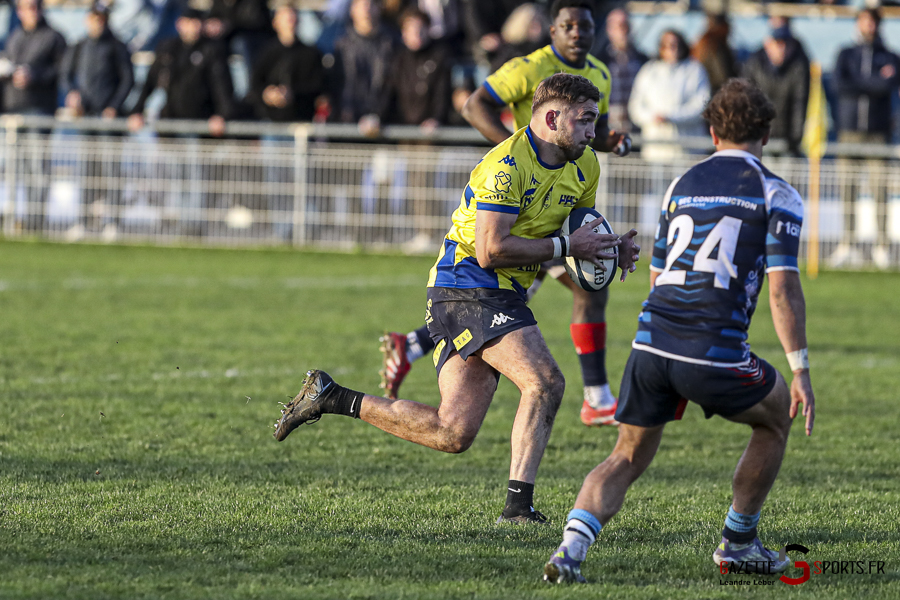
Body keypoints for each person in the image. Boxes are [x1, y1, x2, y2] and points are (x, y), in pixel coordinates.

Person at [273, 73, 641, 524]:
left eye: (595, 121)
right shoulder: (505, 165)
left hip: (503, 291)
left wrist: (609, 249)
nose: (593, 132)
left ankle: (330, 397)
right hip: (464, 285)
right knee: (545, 381)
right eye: (585, 120)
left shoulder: (586, 167)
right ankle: (517, 509)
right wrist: (570, 249)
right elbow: (491, 251)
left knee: (453, 432)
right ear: (550, 117)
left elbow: (570, 237)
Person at [542, 78, 816, 584]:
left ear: (712, 132)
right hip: (713, 351)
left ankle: (570, 550)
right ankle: (738, 543)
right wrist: (799, 369)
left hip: (651, 344)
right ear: (766, 132)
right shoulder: (776, 192)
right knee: (776, 415)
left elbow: (655, 275)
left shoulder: (681, 184)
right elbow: (783, 292)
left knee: (626, 454)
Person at [379, 0, 633, 431]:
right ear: (552, 30)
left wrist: (613, 141)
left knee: (535, 286)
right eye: (568, 25)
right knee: (577, 286)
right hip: (519, 201)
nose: (577, 33)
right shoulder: (526, 68)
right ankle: (597, 398)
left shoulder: (600, 74)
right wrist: (516, 152)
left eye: (585, 26)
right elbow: (473, 105)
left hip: (554, 201)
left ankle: (412, 346)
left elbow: (591, 133)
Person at [830, 8, 899, 269]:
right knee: (847, 189)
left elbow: (888, 86)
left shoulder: (890, 55)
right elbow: (840, 86)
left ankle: (882, 246)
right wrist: (873, 82)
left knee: (880, 189)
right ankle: (848, 243)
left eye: (873, 21)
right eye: (864, 20)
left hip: (878, 134)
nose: (868, 26)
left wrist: (862, 83)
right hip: (848, 132)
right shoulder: (845, 54)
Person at [628, 30, 710, 161]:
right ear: (660, 47)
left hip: (688, 150)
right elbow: (635, 106)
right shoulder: (649, 70)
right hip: (656, 150)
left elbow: (701, 105)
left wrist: (671, 117)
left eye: (675, 44)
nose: (672, 48)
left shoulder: (695, 70)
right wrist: (653, 117)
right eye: (667, 44)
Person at [247, 3, 326, 122]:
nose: (289, 19)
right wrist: (267, 95)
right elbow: (255, 84)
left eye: (292, 15)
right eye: (284, 15)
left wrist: (292, 94)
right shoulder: (265, 52)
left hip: (301, 121)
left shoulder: (311, 54)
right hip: (270, 120)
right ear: (275, 22)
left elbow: (317, 87)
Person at [741, 19, 809, 157]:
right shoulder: (754, 65)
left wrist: (795, 140)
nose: (782, 49)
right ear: (768, 44)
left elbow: (799, 104)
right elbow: (746, 102)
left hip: (786, 141)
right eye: (778, 44)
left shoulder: (798, 67)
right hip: (759, 141)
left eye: (785, 44)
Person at [60, 3, 134, 119]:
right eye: (94, 18)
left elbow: (127, 79)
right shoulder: (79, 46)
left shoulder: (118, 47)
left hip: (108, 115)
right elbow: (65, 74)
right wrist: (72, 93)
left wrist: (114, 106)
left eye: (102, 19)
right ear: (87, 20)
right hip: (84, 111)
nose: (98, 22)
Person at [332, 0, 395, 130]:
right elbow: (335, 84)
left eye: (371, 4)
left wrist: (379, 115)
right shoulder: (341, 45)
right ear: (352, 10)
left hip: (385, 124)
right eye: (361, 5)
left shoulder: (391, 44)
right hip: (347, 123)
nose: (367, 10)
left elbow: (392, 85)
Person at [593, 8, 646, 133]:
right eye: (618, 26)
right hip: (607, 129)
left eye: (626, 25)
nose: (623, 31)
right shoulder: (598, 62)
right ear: (609, 30)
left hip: (637, 129)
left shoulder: (644, 60)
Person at [691, 12, 738, 94]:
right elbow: (722, 75)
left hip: (705, 90)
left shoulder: (701, 42)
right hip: (716, 92)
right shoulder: (716, 45)